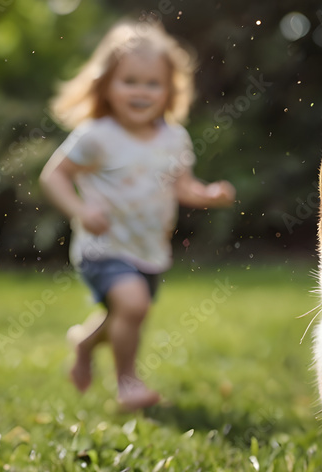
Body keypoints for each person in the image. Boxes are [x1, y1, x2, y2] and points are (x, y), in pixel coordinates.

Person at [40, 20, 235, 411]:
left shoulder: (174, 138)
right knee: (133, 306)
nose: (141, 91)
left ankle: (84, 342)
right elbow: (53, 176)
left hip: (149, 247)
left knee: (122, 313)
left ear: (169, 91)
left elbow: (182, 185)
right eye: (129, 81)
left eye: (152, 83)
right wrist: (80, 209)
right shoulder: (97, 135)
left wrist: (206, 194)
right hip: (104, 245)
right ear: (106, 85)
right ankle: (127, 383)